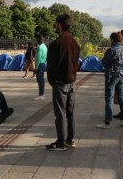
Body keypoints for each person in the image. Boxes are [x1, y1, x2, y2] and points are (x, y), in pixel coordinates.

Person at [46, 14, 81, 151]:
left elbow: (51, 66)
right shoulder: (74, 43)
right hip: (72, 81)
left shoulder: (56, 44)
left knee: (60, 113)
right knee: (70, 111)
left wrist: (51, 80)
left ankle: (61, 142)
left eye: (56, 24)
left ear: (59, 25)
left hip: (60, 82)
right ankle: (70, 139)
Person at [96, 32, 123, 129]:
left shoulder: (111, 50)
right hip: (122, 76)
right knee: (122, 97)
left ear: (112, 39)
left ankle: (107, 122)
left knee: (109, 98)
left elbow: (104, 62)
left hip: (112, 76)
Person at [33, 35, 47, 100]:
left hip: (39, 65)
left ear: (39, 40)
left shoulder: (39, 47)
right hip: (43, 63)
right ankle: (42, 93)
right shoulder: (45, 47)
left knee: (39, 80)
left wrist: (36, 68)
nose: (36, 41)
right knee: (42, 79)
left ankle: (41, 94)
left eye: (37, 39)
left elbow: (38, 58)